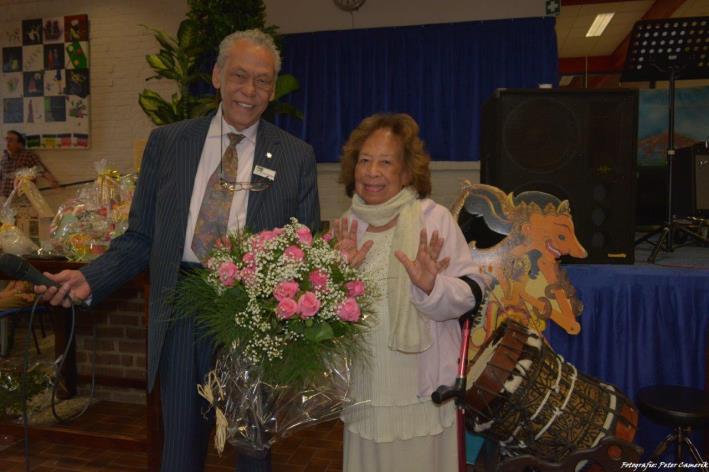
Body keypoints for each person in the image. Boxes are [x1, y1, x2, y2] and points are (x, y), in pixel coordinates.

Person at [36, 29, 320, 472]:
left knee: (253, 450)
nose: (250, 91)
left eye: (263, 81)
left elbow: (303, 248)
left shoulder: (296, 156)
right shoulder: (169, 144)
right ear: (217, 76)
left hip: (254, 314)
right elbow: (141, 237)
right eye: (240, 76)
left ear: (273, 87)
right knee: (180, 452)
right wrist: (91, 276)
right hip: (184, 306)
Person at [333, 113, 485, 472]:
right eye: (365, 160)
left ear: (406, 172)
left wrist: (431, 286)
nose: (371, 172)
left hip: (420, 390)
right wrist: (339, 281)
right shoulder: (348, 224)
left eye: (386, 162)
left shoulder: (434, 220)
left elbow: (470, 294)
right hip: (367, 388)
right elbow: (335, 320)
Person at [1, 130, 59, 198]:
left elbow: (41, 170)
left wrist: (53, 181)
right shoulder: (4, 156)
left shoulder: (28, 155)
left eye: (10, 140)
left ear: (19, 144)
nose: (7, 143)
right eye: (7, 139)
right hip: (4, 198)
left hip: (22, 198)